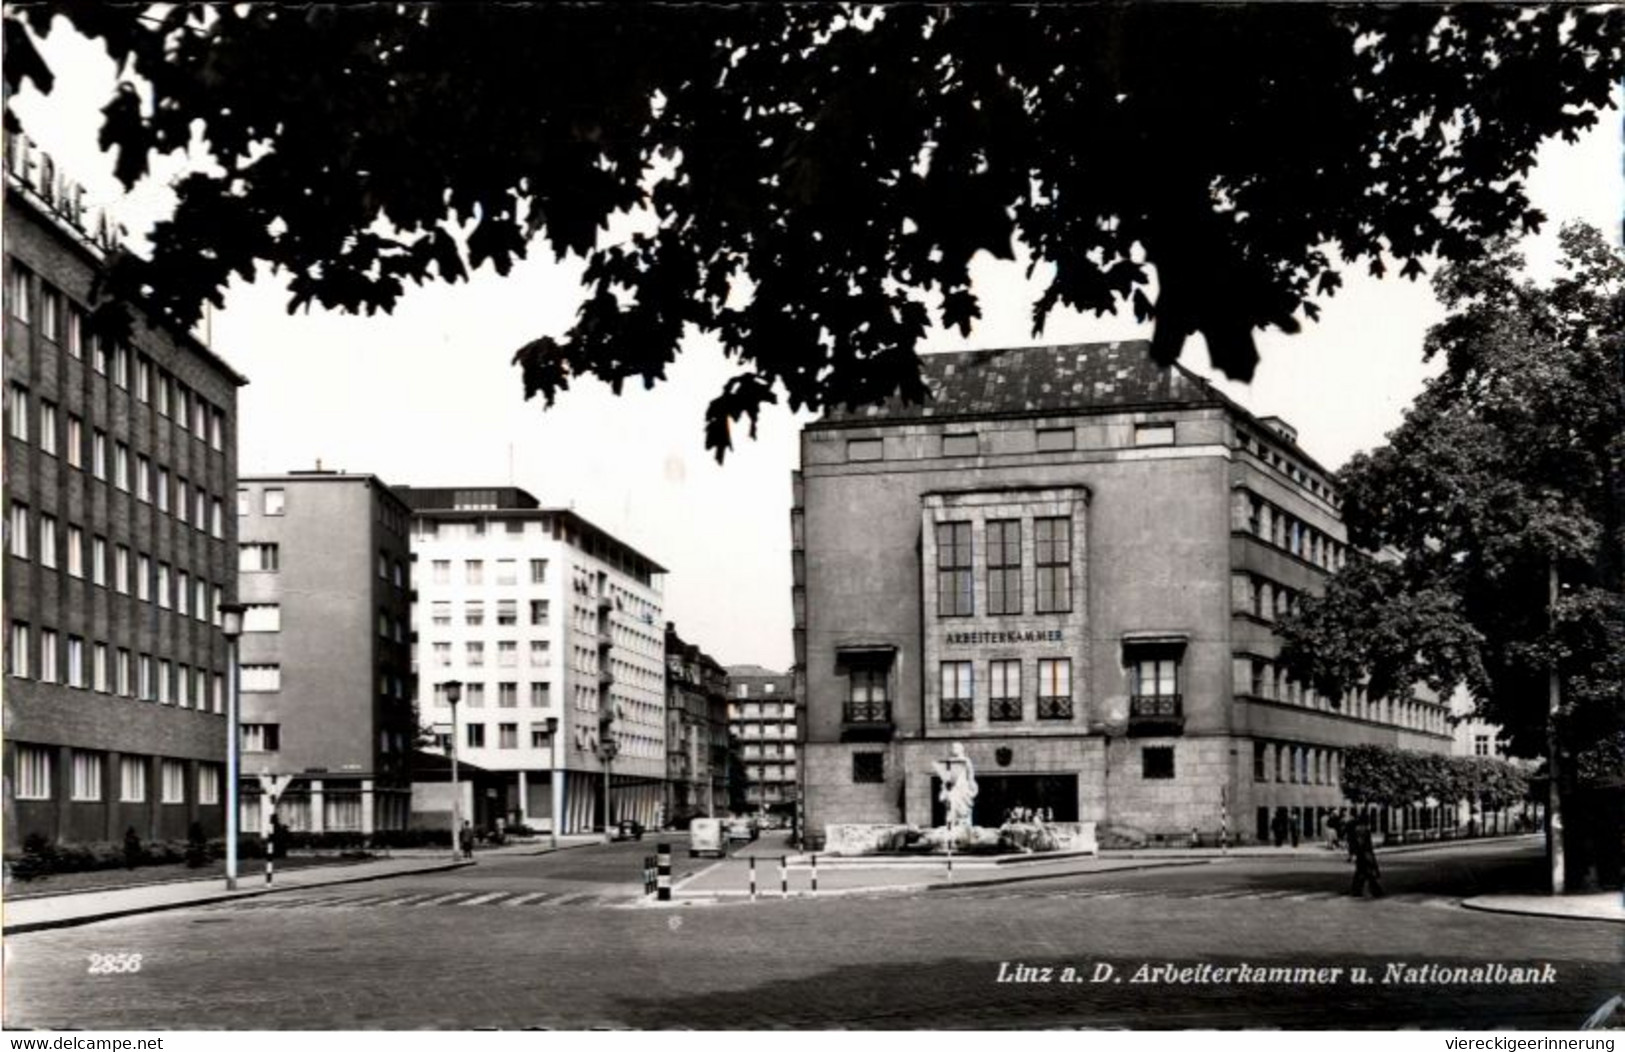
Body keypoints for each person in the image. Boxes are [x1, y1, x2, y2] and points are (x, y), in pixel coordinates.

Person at [1348, 815, 1384, 898]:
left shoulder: (1356, 829)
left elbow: (1354, 843)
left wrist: (1353, 853)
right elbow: (1364, 844)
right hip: (1365, 853)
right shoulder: (1364, 830)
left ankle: (1357, 890)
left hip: (1361, 854)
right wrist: (1369, 856)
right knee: (1368, 872)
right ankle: (1375, 890)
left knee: (1361, 872)